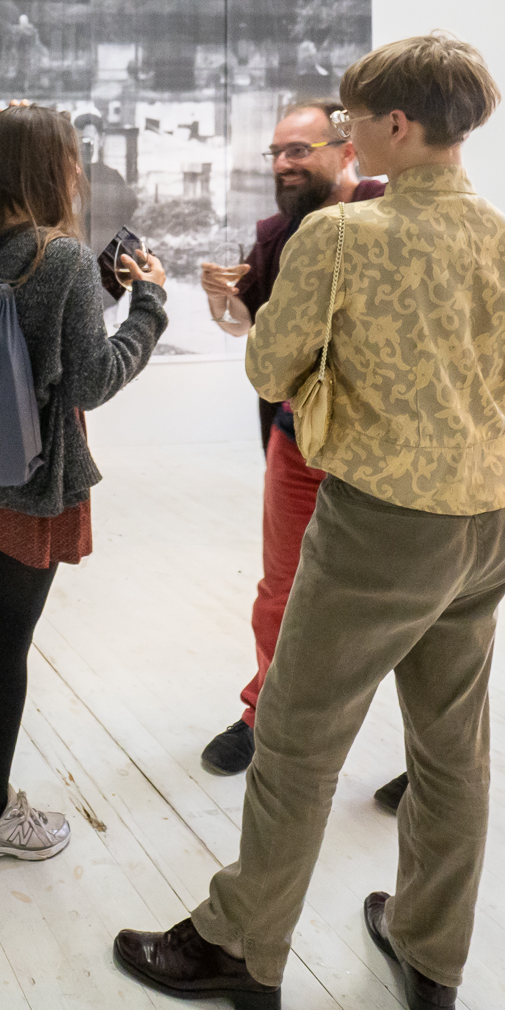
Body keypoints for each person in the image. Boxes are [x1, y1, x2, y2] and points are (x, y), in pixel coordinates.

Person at [114, 33, 505, 1010]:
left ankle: (239, 945)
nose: (348, 137)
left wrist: (326, 382)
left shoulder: (343, 238)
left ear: (397, 124)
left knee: (296, 742)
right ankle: (431, 955)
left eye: (354, 121)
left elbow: (269, 368)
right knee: (452, 752)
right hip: (486, 523)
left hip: (379, 526)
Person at [0, 103, 169, 864]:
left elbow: (23, 327)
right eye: (73, 156)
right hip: (30, 472)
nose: (79, 169)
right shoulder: (58, 256)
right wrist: (149, 307)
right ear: (53, 167)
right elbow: (91, 379)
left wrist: (96, 290)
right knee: (13, 636)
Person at [194, 102, 387, 789]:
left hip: (387, 447)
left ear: (347, 149)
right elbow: (251, 326)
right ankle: (264, 715)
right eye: (276, 153)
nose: (283, 164)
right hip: (298, 438)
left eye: (298, 150)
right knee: (283, 588)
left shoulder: (390, 214)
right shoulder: (278, 233)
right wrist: (222, 300)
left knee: (401, 598)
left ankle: (424, 752)